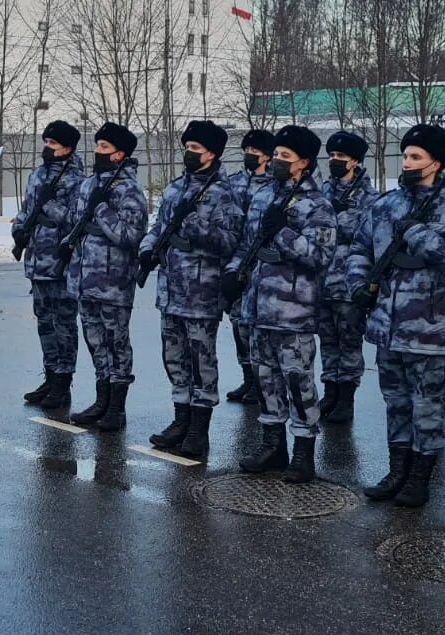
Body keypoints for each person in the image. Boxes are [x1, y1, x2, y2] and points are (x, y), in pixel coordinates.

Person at [347, 124, 445, 508]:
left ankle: (421, 476)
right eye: (405, 155)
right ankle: (397, 470)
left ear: (437, 164)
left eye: (416, 157)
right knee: (396, 401)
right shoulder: (388, 204)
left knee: (428, 403)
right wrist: (358, 284)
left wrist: (419, 234)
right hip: (386, 325)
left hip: (430, 328)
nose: (406, 163)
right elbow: (360, 247)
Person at [222, 125, 337, 483]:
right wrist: (232, 273)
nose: (276, 162)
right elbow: (246, 245)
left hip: (293, 312)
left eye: (285, 157)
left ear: (303, 162)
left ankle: (303, 453)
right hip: (257, 309)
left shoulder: (317, 205)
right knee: (265, 380)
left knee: (298, 382)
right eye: (276, 156)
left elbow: (320, 256)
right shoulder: (262, 199)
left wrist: (283, 233)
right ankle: (273, 446)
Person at [137, 119, 243, 460]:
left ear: (212, 153)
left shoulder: (224, 194)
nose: (189, 153)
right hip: (171, 290)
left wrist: (198, 227)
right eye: (187, 148)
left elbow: (230, 242)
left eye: (195, 149)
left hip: (201, 291)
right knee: (175, 359)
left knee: (202, 361)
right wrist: (148, 247)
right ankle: (180, 419)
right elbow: (159, 226)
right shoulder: (176, 187)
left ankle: (200, 428)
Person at [63, 123, 148, 433]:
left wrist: (101, 211)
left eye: (104, 148)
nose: (97, 152)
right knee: (96, 342)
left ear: (119, 154)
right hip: (85, 280)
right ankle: (102, 398)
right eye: (97, 145)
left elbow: (130, 236)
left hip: (113, 281)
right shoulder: (87, 185)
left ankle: (117, 406)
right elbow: (73, 225)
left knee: (116, 344)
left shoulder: (129, 190)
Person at [12, 120, 86, 412]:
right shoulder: (38, 175)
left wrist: (48, 207)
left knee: (63, 324)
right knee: (44, 322)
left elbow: (75, 220)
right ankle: (50, 373)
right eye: (45, 142)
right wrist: (19, 230)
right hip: (37, 260)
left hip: (60, 263)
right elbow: (26, 209)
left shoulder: (77, 180)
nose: (47, 148)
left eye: (52, 144)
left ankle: (63, 381)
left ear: (67, 148)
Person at [316, 130, 376, 424]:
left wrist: (337, 220)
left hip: (349, 283)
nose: (335, 161)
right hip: (322, 281)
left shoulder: (368, 197)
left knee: (349, 342)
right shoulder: (322, 190)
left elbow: (368, 239)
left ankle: (346, 398)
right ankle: (329, 391)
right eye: (332, 156)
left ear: (355, 161)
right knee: (327, 340)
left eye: (341, 157)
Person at [222, 128, 276, 405]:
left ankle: (260, 381)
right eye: (247, 151)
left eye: (254, 152)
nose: (249, 156)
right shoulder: (233, 182)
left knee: (254, 327)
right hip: (234, 261)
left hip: (258, 265)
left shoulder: (273, 186)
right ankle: (247, 377)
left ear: (267, 156)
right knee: (237, 324)